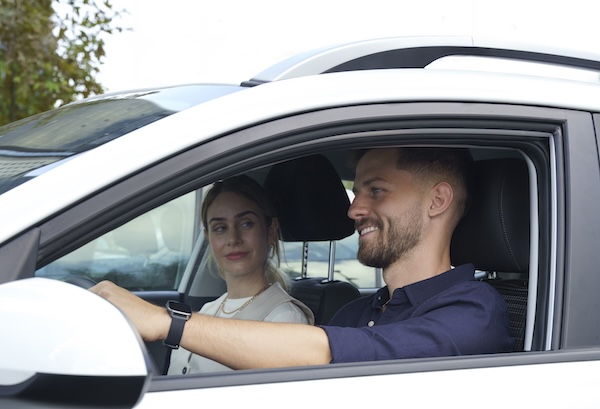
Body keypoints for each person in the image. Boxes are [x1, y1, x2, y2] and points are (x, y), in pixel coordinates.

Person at [90, 147, 513, 369]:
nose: (353, 209)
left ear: (437, 200)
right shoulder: (354, 312)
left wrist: (167, 323)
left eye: (376, 190)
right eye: (356, 191)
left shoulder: (473, 310)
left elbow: (352, 352)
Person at [168, 176, 313, 374]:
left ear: (270, 231)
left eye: (246, 224)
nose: (233, 238)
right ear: (208, 238)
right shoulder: (207, 310)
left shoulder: (285, 319)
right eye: (220, 228)